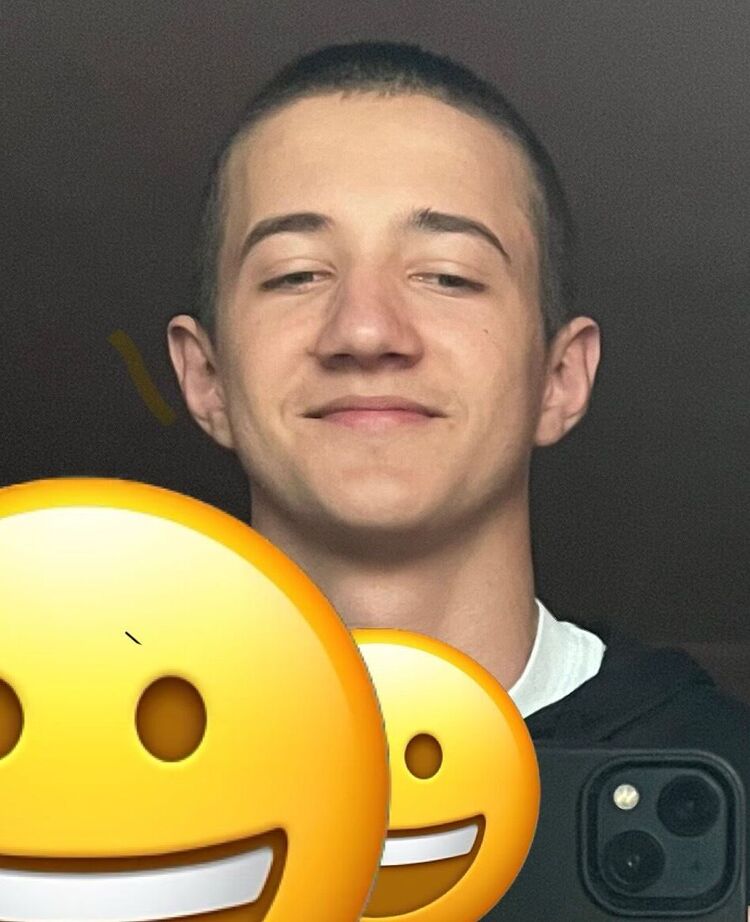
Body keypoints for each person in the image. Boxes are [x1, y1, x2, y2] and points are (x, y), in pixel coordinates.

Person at [166, 41, 750, 906]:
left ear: (560, 378)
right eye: (296, 275)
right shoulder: (55, 780)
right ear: (206, 377)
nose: (366, 331)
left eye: (446, 276)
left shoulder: (722, 779)